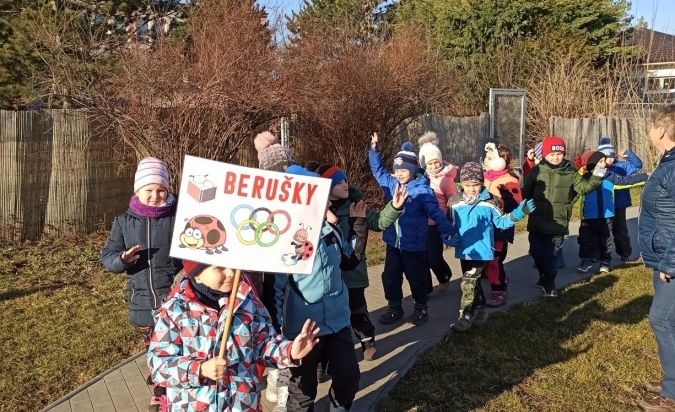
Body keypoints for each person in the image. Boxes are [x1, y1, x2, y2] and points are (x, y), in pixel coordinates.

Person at [275, 165, 404, 412]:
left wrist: (357, 225)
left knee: (348, 378)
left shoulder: (329, 228)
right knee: (303, 392)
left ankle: (338, 407)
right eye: (320, 198)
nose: (327, 205)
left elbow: (349, 260)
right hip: (304, 329)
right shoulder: (285, 240)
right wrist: (275, 331)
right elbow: (275, 289)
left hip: (338, 321)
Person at [147, 262, 320, 412]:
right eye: (220, 268)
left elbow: (264, 343)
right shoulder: (175, 311)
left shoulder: (247, 302)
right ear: (197, 274)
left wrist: (289, 351)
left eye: (233, 266)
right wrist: (199, 370)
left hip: (242, 404)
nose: (230, 273)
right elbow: (158, 364)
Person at [101, 157, 182, 412]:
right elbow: (108, 258)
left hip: (175, 298)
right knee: (154, 348)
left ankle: (169, 389)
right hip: (142, 301)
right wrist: (122, 260)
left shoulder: (179, 216)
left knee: (175, 346)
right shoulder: (124, 221)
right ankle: (160, 386)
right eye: (149, 190)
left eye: (161, 190)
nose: (156, 195)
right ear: (137, 190)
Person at [316, 163, 405, 362]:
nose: (345, 184)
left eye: (345, 180)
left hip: (353, 275)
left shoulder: (356, 204)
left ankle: (368, 340)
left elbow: (380, 222)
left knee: (357, 311)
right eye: (338, 182)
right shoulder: (318, 211)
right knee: (330, 315)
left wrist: (395, 207)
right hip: (328, 277)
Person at [369, 133, 456, 326]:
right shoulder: (392, 185)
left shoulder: (423, 190)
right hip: (393, 242)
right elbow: (378, 171)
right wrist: (374, 150)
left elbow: (436, 213)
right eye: (397, 169)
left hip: (414, 244)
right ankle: (394, 307)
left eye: (403, 169)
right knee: (390, 276)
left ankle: (420, 308)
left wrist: (447, 230)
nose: (399, 173)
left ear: (412, 168)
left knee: (416, 277)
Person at [445, 162, 535, 332]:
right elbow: (449, 226)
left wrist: (518, 213)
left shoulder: (490, 202)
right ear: (461, 184)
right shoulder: (454, 202)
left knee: (468, 283)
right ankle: (481, 310)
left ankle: (465, 316)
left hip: (482, 251)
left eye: (476, 185)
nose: (471, 189)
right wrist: (448, 238)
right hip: (464, 251)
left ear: (482, 183)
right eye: (467, 185)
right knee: (474, 283)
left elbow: (501, 222)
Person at [522, 136, 604, 297]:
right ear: (544, 155)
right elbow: (526, 192)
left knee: (551, 255)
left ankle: (550, 284)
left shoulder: (571, 172)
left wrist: (597, 175)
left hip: (558, 223)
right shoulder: (537, 171)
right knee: (536, 253)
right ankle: (543, 277)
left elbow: (584, 188)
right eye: (551, 154)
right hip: (537, 220)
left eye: (559, 154)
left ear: (564, 154)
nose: (555, 157)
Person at [638, 104, 675, 412]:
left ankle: (673, 392)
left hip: (671, 260)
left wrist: (671, 262)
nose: (649, 132)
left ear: (662, 130)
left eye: (651, 126)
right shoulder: (669, 161)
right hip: (664, 254)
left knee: (661, 318)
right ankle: (671, 379)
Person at [572, 150, 647, 274]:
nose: (604, 164)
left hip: (606, 217)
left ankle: (605, 262)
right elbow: (573, 196)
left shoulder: (610, 177)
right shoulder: (583, 180)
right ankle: (586, 260)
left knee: (605, 241)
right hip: (587, 217)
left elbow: (627, 181)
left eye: (604, 161)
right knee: (585, 240)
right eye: (600, 162)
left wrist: (646, 176)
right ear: (592, 164)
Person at [483, 143, 523, 307]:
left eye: (490, 158)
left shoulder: (510, 181)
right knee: (486, 259)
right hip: (484, 228)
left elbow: (517, 204)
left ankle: (498, 290)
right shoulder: (484, 177)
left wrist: (506, 198)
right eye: (487, 157)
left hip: (499, 229)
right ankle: (492, 276)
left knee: (495, 262)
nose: (486, 160)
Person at [417, 131, 458, 293]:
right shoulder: (419, 178)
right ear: (423, 165)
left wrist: (450, 223)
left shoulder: (446, 179)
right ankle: (425, 288)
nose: (434, 166)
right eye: (429, 164)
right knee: (421, 257)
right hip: (420, 223)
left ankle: (444, 275)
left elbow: (453, 200)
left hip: (436, 223)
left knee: (433, 257)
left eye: (436, 162)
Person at [597, 136, 644, 261]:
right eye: (607, 157)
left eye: (612, 155)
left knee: (620, 230)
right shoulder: (598, 169)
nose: (610, 159)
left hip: (619, 204)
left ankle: (625, 253)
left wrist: (629, 154)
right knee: (602, 231)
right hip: (604, 205)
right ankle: (601, 256)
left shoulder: (621, 166)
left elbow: (638, 165)